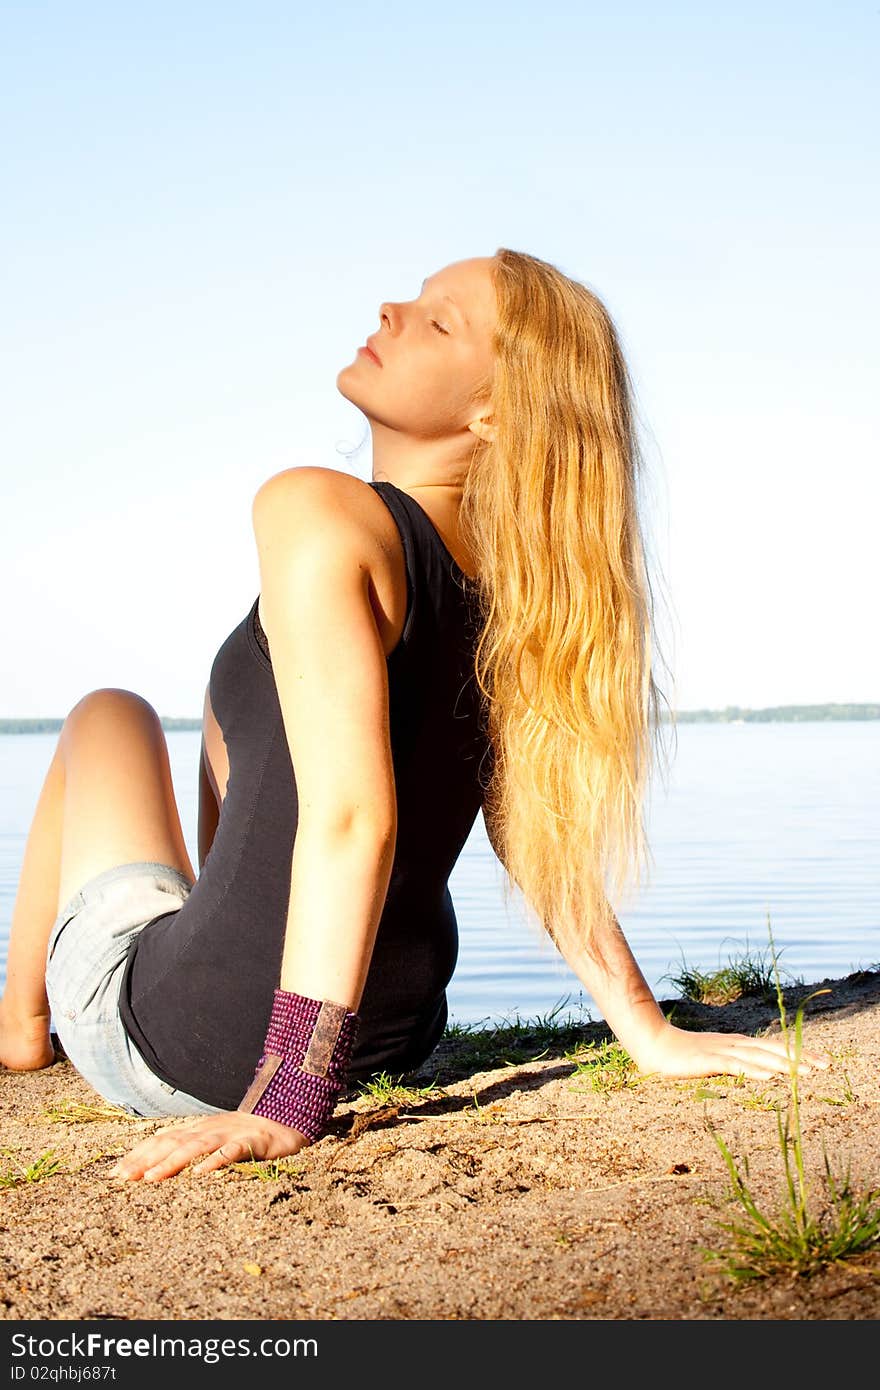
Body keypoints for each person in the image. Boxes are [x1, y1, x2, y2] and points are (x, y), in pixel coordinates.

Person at [0, 249, 828, 1184]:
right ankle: (189, 956)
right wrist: (645, 1031)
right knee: (244, 704)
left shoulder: (316, 508)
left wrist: (284, 1103)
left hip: (200, 1052)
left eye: (439, 321)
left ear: (494, 411)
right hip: (394, 1038)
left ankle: (24, 1026)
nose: (393, 307)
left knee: (108, 714)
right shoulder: (525, 592)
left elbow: (356, 821)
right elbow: (531, 830)